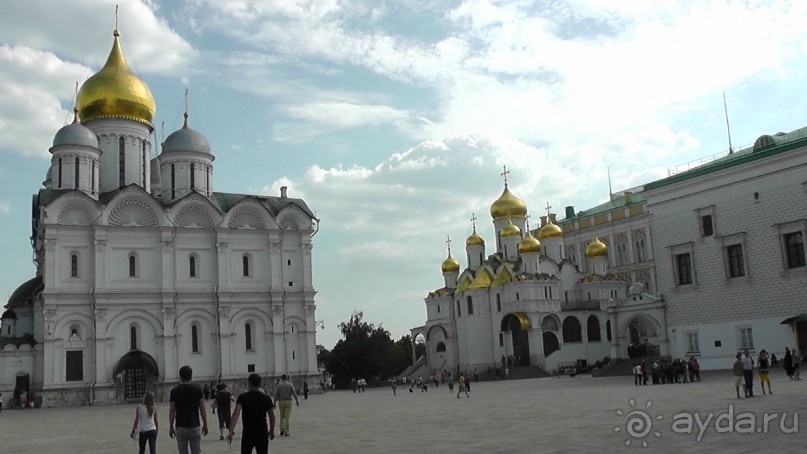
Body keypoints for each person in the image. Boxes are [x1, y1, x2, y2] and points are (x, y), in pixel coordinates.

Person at [228, 373, 275, 454]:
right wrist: (272, 430)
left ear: (249, 383)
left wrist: (231, 431)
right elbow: (272, 416)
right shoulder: (266, 398)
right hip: (262, 432)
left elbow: (236, 414)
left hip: (248, 433)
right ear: (260, 384)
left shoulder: (242, 397)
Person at [169, 365, 208, 454]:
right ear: (191, 376)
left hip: (180, 426)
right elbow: (202, 409)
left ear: (180, 376)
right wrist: (205, 424)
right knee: (196, 452)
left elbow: (172, 411)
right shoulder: (197, 389)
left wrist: (171, 426)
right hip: (194, 425)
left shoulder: (174, 391)